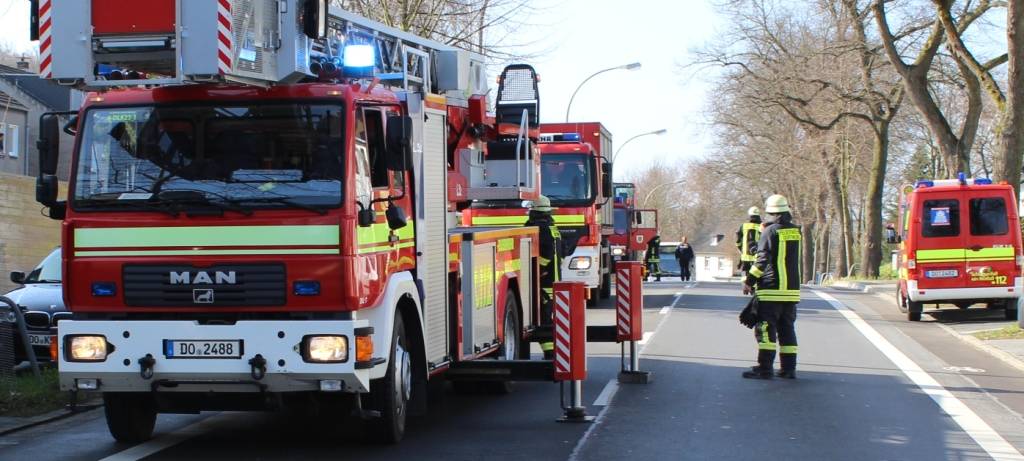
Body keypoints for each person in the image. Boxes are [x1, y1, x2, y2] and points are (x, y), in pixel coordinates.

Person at [742, 194, 801, 380]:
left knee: (766, 330)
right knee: (787, 330)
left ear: (770, 212)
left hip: (771, 288)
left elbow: (762, 260)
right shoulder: (795, 231)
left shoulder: (769, 232)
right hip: (791, 291)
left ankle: (765, 368)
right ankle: (788, 369)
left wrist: (749, 281)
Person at [525, 195, 561, 360]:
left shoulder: (540, 228)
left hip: (545, 282)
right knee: (547, 317)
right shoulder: (553, 228)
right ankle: (552, 352)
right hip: (555, 280)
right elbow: (563, 251)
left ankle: (550, 353)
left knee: (545, 319)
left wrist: (537, 268)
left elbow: (546, 254)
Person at [735, 207, 762, 279]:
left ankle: (746, 288)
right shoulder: (761, 226)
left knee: (745, 277)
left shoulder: (743, 226)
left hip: (745, 258)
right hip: (757, 258)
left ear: (749, 215)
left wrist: (741, 250)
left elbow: (738, 241)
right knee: (756, 276)